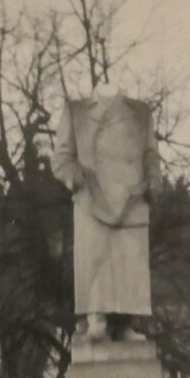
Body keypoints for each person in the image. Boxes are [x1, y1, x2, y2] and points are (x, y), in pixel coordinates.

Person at [52, 81, 163, 342]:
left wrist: (154, 180)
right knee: (96, 259)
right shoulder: (76, 111)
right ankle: (96, 319)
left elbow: (150, 154)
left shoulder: (140, 112)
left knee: (128, 263)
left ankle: (124, 324)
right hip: (92, 199)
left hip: (132, 198)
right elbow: (61, 158)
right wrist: (75, 178)